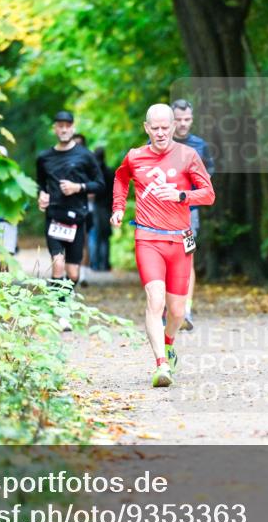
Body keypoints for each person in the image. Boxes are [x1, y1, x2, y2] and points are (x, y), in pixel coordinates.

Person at [111, 104, 215, 387]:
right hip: (148, 238)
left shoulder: (189, 155)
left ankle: (169, 342)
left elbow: (208, 195)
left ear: (173, 127)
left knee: (178, 312)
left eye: (164, 128)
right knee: (155, 301)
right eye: (154, 128)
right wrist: (119, 208)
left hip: (180, 239)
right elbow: (121, 179)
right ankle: (161, 365)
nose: (159, 133)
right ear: (146, 128)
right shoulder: (135, 157)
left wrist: (181, 195)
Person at [36, 110, 104, 330]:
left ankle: (61, 297)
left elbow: (100, 184)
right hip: (54, 217)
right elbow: (40, 184)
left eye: (67, 125)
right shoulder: (44, 158)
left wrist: (78, 187)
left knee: (73, 273)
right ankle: (61, 314)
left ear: (73, 128)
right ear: (55, 129)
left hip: (77, 218)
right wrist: (41, 195)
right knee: (58, 263)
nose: (64, 129)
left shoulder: (85, 155)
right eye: (60, 125)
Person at [170, 99, 215, 331]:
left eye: (187, 120)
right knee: (166, 261)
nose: (183, 124)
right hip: (162, 216)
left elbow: (208, 177)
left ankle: (186, 310)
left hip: (189, 213)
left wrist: (190, 193)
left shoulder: (200, 146)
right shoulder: (157, 143)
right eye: (178, 120)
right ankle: (170, 309)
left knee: (187, 258)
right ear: (171, 119)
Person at [89, 146, 114, 271]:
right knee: (105, 236)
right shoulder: (110, 172)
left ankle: (95, 264)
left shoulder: (94, 173)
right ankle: (105, 264)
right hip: (107, 207)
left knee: (95, 235)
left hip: (96, 206)